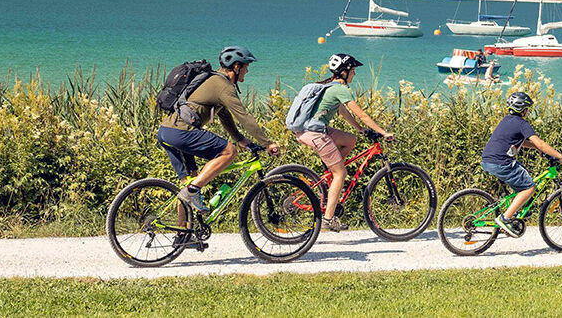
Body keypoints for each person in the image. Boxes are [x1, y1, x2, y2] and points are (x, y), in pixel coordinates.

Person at [160, 46, 282, 216]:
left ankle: (183, 236)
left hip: (167, 131)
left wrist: (240, 139)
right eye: (246, 66)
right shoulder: (223, 85)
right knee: (229, 151)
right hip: (181, 132)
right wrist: (267, 143)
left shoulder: (213, 80)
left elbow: (224, 115)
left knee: (189, 184)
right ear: (236, 66)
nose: (247, 71)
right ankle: (193, 189)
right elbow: (244, 116)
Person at [297, 53, 395, 232]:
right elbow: (362, 114)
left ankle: (330, 170)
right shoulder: (341, 89)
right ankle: (327, 219)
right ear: (345, 71)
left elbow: (343, 111)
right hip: (315, 133)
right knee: (341, 173)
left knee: (351, 140)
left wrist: (360, 129)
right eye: (353, 70)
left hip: (312, 130)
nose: (355, 74)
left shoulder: (330, 86)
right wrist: (383, 132)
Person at [480, 91, 562, 236]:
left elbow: (527, 142)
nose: (528, 112)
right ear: (523, 110)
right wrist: (560, 156)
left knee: (521, 173)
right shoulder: (522, 123)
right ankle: (505, 218)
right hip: (502, 162)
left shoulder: (507, 120)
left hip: (488, 160)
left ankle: (516, 211)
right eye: (527, 109)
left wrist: (535, 148)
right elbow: (539, 142)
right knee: (529, 187)